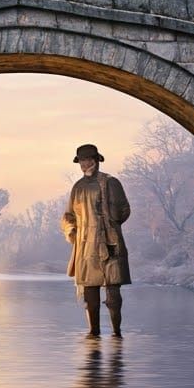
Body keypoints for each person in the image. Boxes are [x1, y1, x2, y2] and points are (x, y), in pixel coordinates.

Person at [62, 143, 131, 338]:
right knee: (90, 294)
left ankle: (117, 333)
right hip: (85, 246)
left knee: (113, 295)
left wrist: (111, 225)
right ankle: (94, 333)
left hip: (110, 244)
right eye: (82, 161)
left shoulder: (111, 182)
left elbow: (124, 210)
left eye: (88, 160)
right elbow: (68, 216)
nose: (85, 164)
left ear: (96, 160)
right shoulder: (78, 187)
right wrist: (72, 232)